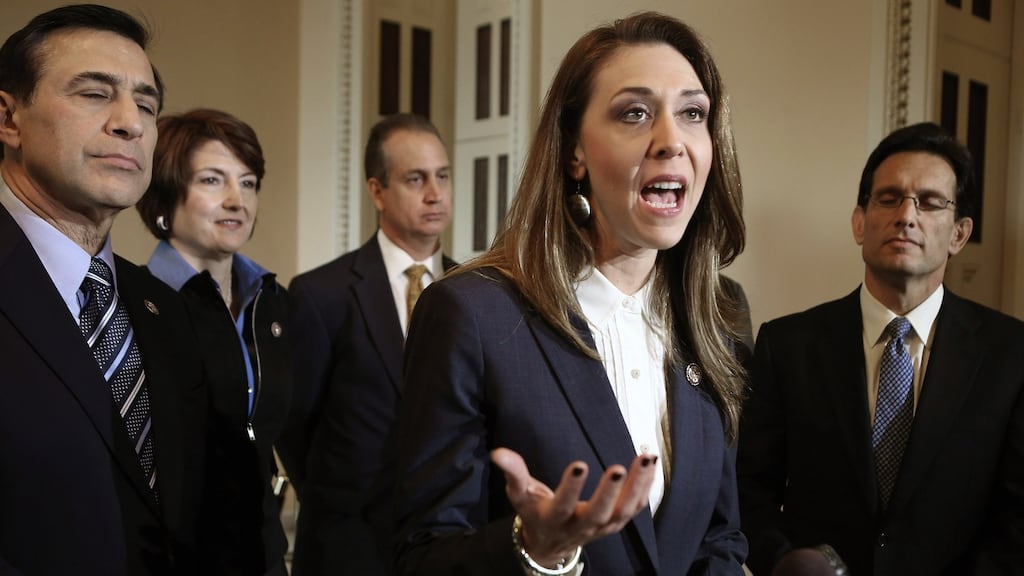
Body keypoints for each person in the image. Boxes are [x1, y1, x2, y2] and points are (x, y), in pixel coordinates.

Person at [391, 11, 749, 575]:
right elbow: (420, 557)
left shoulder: (719, 313)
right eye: (635, 113)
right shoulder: (472, 314)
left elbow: (720, 536)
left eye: (692, 113)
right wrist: (534, 549)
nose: (671, 141)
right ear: (573, 152)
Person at [737, 122, 1024, 576]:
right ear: (859, 222)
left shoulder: (1012, 356)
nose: (907, 216)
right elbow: (747, 490)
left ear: (959, 234)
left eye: (930, 202)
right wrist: (785, 561)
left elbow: (1019, 518)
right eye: (889, 198)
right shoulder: (787, 346)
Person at [0, 5, 208, 575]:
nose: (131, 123)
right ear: (9, 118)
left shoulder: (164, 307)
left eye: (145, 104)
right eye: (95, 94)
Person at [277, 112, 457, 575]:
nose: (435, 194)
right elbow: (295, 427)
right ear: (377, 191)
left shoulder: (477, 291)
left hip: (449, 542)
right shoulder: (321, 294)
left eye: (442, 176)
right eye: (415, 179)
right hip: (348, 545)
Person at [135, 108, 292, 575]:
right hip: (171, 559)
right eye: (211, 180)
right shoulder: (138, 305)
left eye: (247, 183)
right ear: (166, 195)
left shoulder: (272, 303)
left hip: (263, 556)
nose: (236, 200)